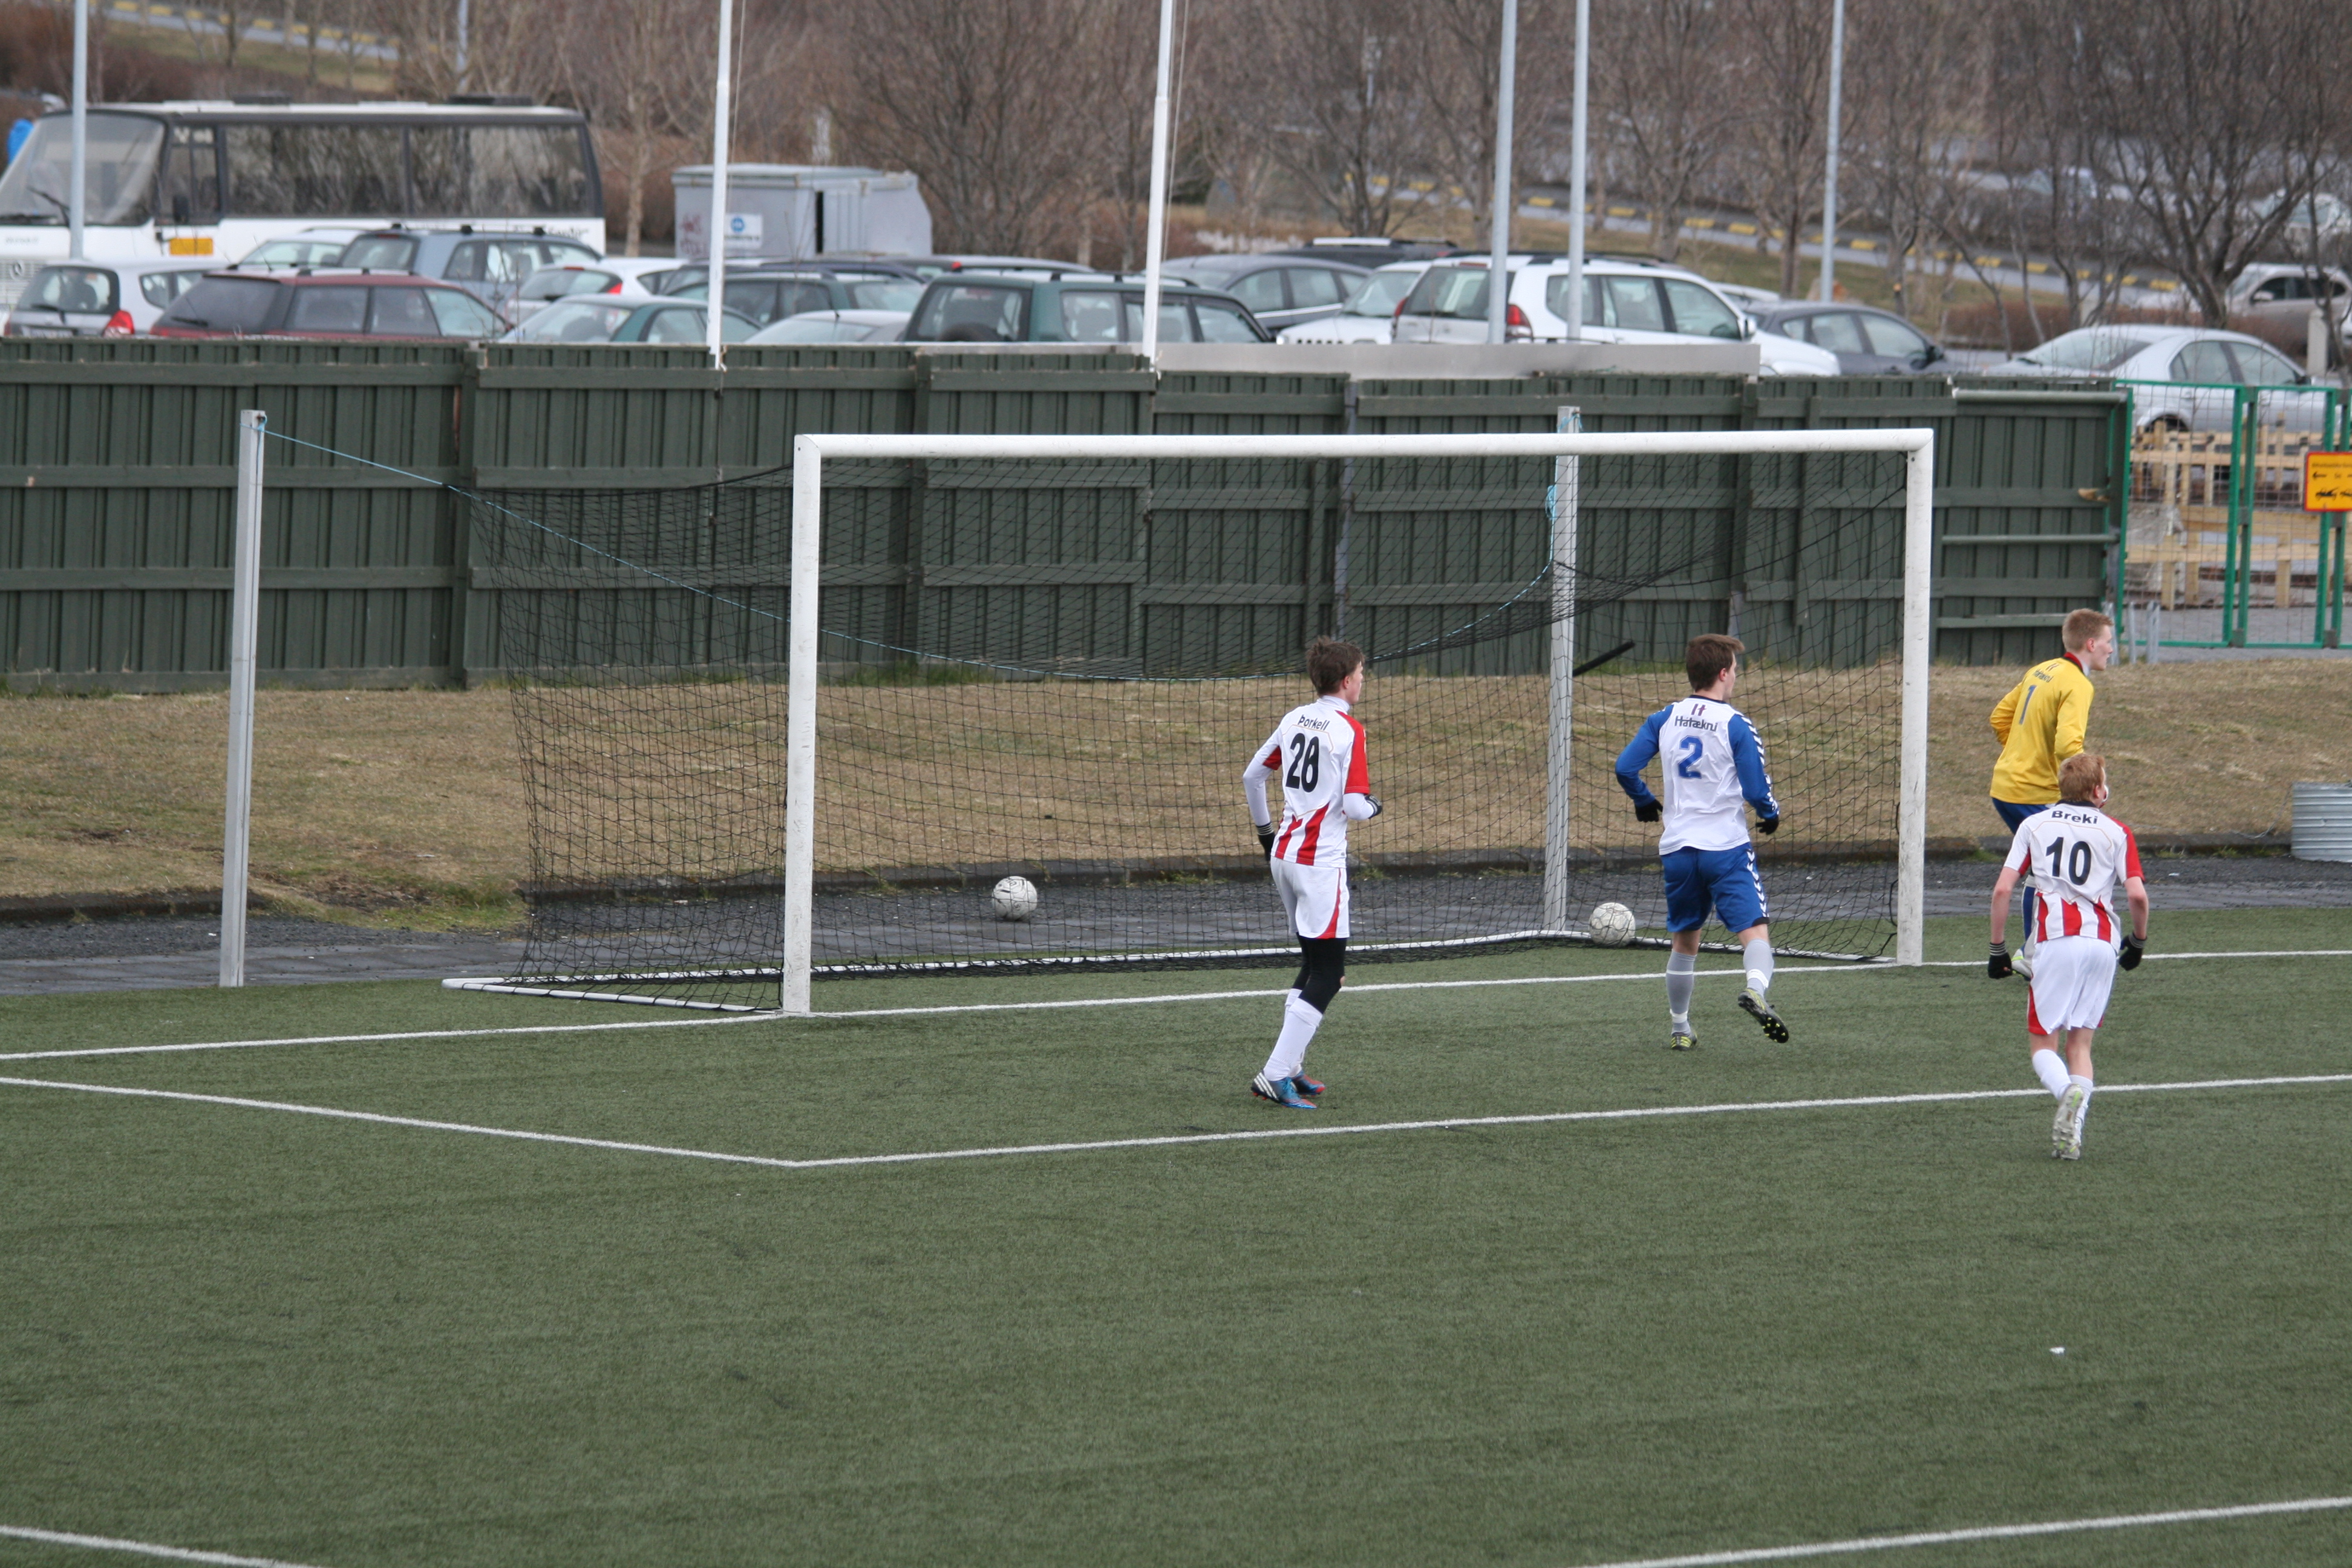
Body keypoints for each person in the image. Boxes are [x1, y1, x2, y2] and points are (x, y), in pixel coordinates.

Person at [1613, 633, 1785, 1051]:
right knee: (1755, 933)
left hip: (1678, 850)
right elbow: (1756, 789)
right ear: (1723, 673)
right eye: (1736, 670)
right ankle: (1756, 989)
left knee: (1685, 942)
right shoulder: (1736, 724)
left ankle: (1680, 1028)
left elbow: (1625, 767)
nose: (1736, 677)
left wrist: (1643, 800)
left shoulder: (1665, 718)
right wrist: (1770, 814)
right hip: (1725, 848)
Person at [1241, 636, 1382, 1109]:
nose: (1362, 682)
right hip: (1320, 865)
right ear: (1345, 681)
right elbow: (1355, 806)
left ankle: (1291, 1066)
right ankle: (1274, 1073)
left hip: (1284, 856)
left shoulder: (1294, 718)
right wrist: (1376, 807)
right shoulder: (1350, 730)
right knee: (1330, 974)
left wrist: (1266, 836)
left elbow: (1252, 777)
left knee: (1312, 964)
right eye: (1360, 675)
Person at [1987, 753, 2149, 1160]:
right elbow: (2137, 896)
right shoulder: (2118, 831)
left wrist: (1997, 949)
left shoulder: (2035, 825)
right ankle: (2071, 1137)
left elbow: (2003, 890)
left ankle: (2066, 1092)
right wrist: (2138, 941)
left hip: (2056, 941)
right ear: (2098, 790)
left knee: (2043, 1045)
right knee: (2081, 1046)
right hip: (2103, 946)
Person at [1988, 609, 2117, 969]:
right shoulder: (2078, 684)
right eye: (2108, 642)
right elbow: (2068, 746)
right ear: (2091, 644)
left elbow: (2000, 717)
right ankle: (2034, 957)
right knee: (2055, 874)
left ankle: (2033, 953)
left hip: (2006, 785)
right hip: (2034, 793)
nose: (2111, 649)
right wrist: (2096, 785)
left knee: (2043, 870)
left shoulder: (2042, 669)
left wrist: (2021, 754)